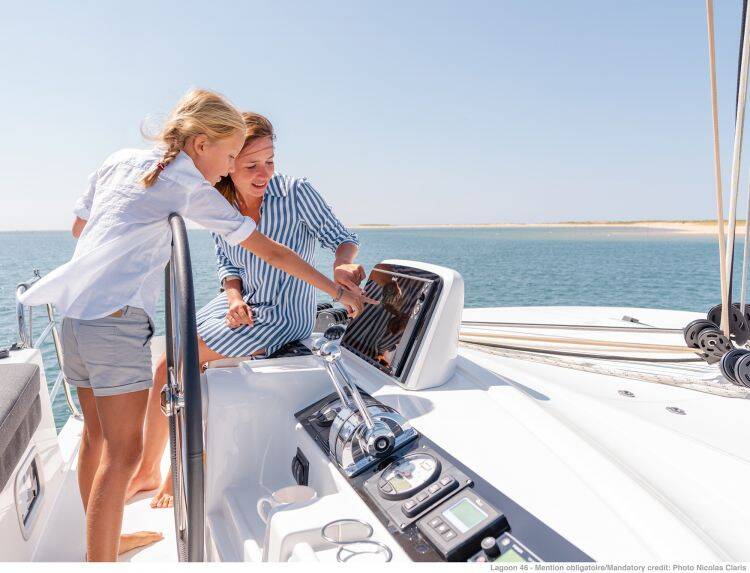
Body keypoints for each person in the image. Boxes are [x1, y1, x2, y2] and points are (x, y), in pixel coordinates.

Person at [18, 90, 374, 561]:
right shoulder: (190, 187)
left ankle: (107, 535)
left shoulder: (121, 159)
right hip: (117, 323)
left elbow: (80, 228)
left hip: (75, 317)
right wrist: (337, 293)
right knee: (122, 453)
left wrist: (137, 235)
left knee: (96, 436)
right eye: (232, 158)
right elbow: (268, 253)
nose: (228, 170)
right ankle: (101, 555)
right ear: (202, 144)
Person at [126, 112, 367, 509]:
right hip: (242, 303)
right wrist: (235, 297)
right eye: (252, 164)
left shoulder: (296, 192)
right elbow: (228, 265)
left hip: (282, 314)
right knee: (165, 363)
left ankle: (175, 468)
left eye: (270, 161)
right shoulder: (220, 202)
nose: (264, 173)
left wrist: (342, 265)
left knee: (179, 364)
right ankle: (149, 469)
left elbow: (342, 238)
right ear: (229, 162)